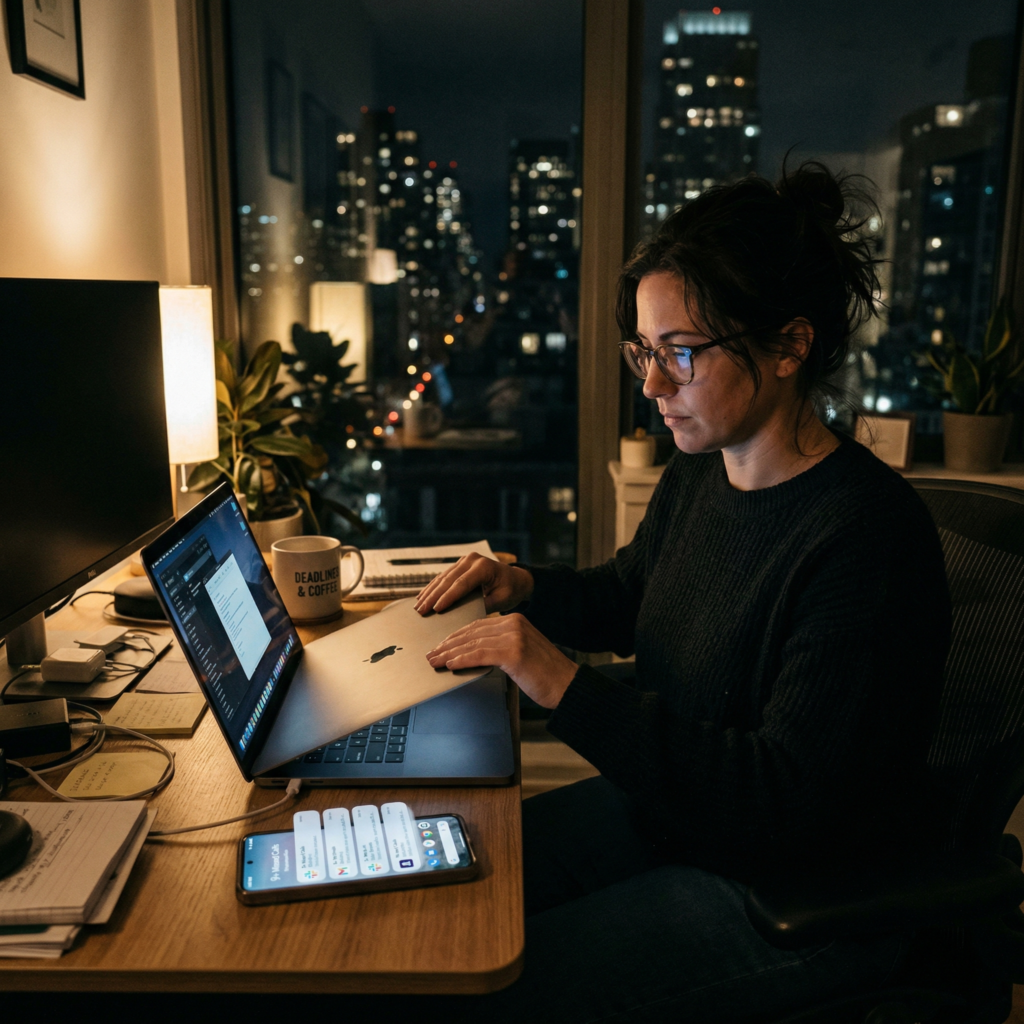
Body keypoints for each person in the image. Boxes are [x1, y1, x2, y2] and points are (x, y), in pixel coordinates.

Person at [415, 163, 952, 1023]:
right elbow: (634, 593)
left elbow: (782, 800)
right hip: (680, 814)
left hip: (792, 892)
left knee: (489, 982)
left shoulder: (865, 541)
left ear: (788, 345)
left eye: (682, 354)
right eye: (644, 351)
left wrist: (560, 682)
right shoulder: (703, 467)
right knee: (440, 895)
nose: (653, 386)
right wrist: (523, 587)